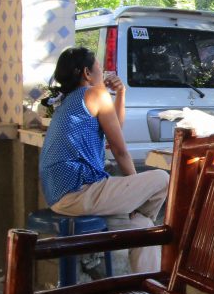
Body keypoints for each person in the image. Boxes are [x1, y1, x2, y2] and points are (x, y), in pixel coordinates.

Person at [39, 46, 169, 273]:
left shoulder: (68, 101)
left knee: (144, 227)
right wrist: (137, 191)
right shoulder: (95, 93)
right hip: (81, 191)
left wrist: (122, 94)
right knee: (162, 179)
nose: (104, 72)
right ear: (87, 73)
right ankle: (136, 210)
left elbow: (115, 126)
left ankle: (146, 289)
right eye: (99, 67)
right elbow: (120, 150)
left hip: (59, 197)